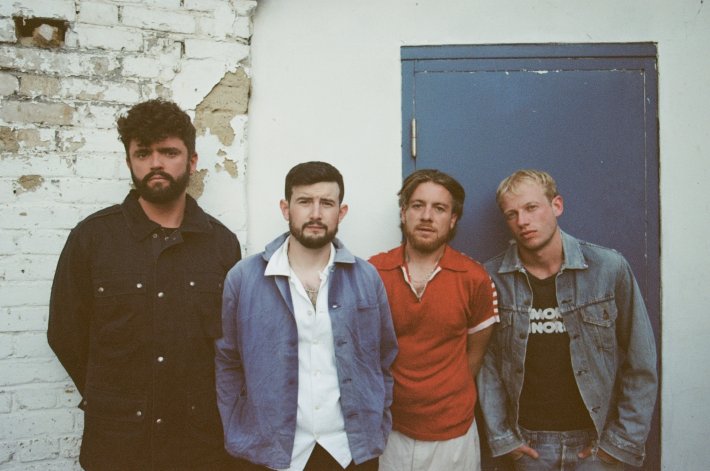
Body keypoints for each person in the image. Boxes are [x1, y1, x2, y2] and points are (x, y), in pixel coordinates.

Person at [47, 99, 241, 470]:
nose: (155, 163)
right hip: (119, 445)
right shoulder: (93, 238)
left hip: (199, 445)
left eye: (169, 152)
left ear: (192, 161)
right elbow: (65, 333)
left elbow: (232, 343)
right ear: (129, 162)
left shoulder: (221, 244)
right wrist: (112, 396)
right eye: (143, 153)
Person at [216, 161, 398, 471]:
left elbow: (384, 358)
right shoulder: (244, 279)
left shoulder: (367, 278)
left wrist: (377, 420)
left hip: (350, 450)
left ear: (341, 212)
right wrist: (237, 426)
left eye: (326, 203)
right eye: (304, 201)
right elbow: (228, 361)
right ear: (285, 208)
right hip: (269, 451)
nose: (315, 213)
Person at [478, 169, 658, 470]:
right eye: (512, 214)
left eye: (531, 208)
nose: (522, 221)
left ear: (557, 205)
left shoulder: (608, 268)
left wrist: (620, 443)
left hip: (596, 446)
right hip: (529, 447)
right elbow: (488, 366)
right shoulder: (491, 278)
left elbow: (641, 361)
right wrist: (505, 440)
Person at [369, 169, 499, 471]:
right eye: (418, 205)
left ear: (452, 219)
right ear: (404, 213)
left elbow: (474, 356)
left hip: (453, 433)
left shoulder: (475, 278)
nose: (427, 216)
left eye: (439, 208)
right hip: (391, 430)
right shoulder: (374, 271)